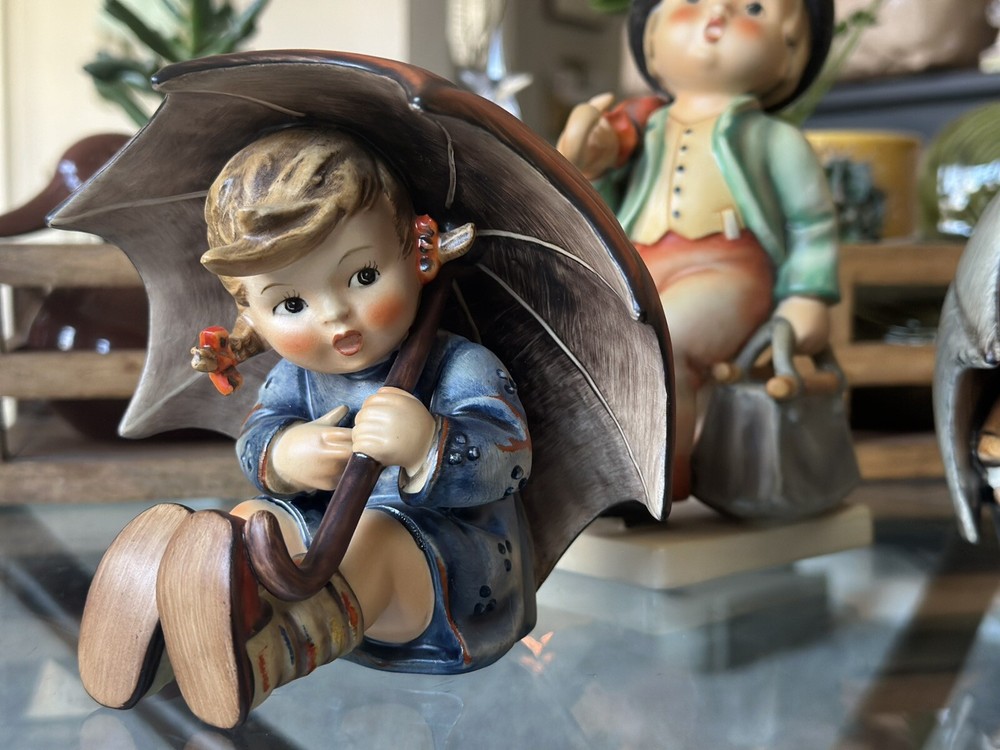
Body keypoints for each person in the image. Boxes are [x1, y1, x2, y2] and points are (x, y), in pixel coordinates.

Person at [78, 127, 535, 729]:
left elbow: (511, 459)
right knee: (248, 523)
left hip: (444, 576)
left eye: (363, 275)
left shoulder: (460, 366)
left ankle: (269, 653)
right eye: (291, 305)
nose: (335, 316)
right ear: (249, 314)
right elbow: (258, 438)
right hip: (320, 543)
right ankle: (164, 633)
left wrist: (428, 443)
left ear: (420, 251)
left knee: (374, 537)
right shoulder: (294, 377)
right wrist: (287, 454)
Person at [557, 0, 839, 499]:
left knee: (667, 341)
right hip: (638, 269)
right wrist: (593, 166)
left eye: (754, 7)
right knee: (589, 342)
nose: (719, 12)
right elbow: (599, 210)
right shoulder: (639, 132)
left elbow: (811, 223)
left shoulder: (774, 139)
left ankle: (663, 475)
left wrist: (807, 295)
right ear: (650, 41)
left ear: (791, 55)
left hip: (729, 271)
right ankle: (602, 472)